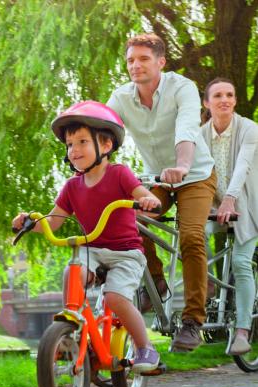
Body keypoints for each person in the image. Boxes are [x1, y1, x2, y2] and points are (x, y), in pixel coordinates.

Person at [12, 101, 162, 372]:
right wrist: (29, 222)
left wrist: (149, 201)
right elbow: (53, 221)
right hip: (91, 249)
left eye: (82, 142)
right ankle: (72, 331)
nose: (74, 150)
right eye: (70, 145)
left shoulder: (120, 174)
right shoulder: (71, 186)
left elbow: (144, 197)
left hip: (126, 253)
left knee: (116, 298)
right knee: (72, 274)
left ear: (105, 146)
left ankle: (145, 347)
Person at [107, 33, 217, 352]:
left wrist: (182, 166)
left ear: (160, 62)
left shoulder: (181, 88)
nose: (136, 65)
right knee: (130, 219)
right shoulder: (122, 97)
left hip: (194, 175)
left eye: (143, 58)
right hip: (158, 178)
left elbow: (186, 128)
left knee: (191, 237)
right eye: (130, 60)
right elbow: (105, 129)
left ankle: (193, 320)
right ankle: (156, 282)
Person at [201, 77, 258, 355]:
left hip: (248, 205)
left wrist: (231, 200)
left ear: (235, 100)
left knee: (241, 263)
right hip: (214, 206)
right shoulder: (200, 135)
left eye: (230, 95)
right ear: (206, 103)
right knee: (191, 241)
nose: (225, 99)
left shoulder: (249, 129)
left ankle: (243, 331)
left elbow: (244, 166)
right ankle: (206, 289)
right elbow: (195, 171)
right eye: (218, 95)